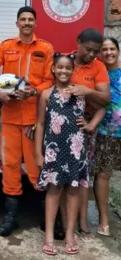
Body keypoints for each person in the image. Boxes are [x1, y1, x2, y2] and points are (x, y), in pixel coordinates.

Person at [0, 6, 54, 237]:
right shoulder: (6, 46)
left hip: (34, 119)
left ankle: (48, 218)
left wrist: (33, 92)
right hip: (9, 117)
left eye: (31, 19)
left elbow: (52, 80)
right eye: (23, 19)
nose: (27, 23)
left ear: (36, 23)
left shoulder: (46, 48)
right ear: (17, 23)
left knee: (36, 167)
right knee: (10, 167)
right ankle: (10, 217)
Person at [35, 53, 105, 255]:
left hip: (76, 151)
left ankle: (69, 234)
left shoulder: (80, 93)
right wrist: (38, 153)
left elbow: (102, 107)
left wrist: (91, 125)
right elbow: (40, 124)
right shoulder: (46, 95)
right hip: (54, 152)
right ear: (53, 69)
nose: (64, 71)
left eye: (68, 68)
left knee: (74, 191)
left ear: (73, 71)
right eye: (60, 67)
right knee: (54, 190)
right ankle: (49, 235)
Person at [58, 29, 110, 242]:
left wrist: (87, 91)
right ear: (78, 42)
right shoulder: (65, 62)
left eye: (95, 51)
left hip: (84, 130)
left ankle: (82, 222)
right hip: (61, 129)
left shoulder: (98, 67)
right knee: (62, 176)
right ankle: (63, 221)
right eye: (88, 49)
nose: (92, 55)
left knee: (82, 177)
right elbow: (49, 90)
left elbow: (105, 100)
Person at [93, 37, 121, 237]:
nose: (109, 52)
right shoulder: (98, 73)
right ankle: (104, 219)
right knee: (103, 175)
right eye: (105, 49)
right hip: (106, 133)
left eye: (112, 49)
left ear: (118, 51)